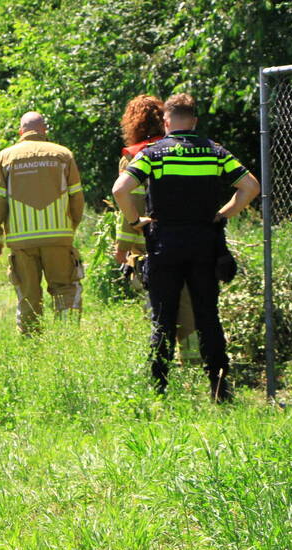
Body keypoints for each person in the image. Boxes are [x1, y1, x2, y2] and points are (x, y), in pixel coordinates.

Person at [111, 93, 260, 401]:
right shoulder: (214, 152)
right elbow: (251, 187)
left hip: (165, 245)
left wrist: (137, 221)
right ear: (194, 120)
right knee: (208, 318)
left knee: (163, 320)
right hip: (205, 246)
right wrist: (223, 213)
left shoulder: (155, 153)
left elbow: (120, 189)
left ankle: (159, 393)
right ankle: (220, 391)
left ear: (166, 121)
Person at [114, 95, 199, 365]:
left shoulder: (136, 156)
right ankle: (193, 356)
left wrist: (123, 247)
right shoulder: (183, 147)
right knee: (188, 304)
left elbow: (130, 204)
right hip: (190, 236)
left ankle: (161, 360)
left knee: (158, 304)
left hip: (151, 243)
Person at [0, 111, 85, 334]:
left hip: (21, 242)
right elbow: (77, 197)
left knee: (28, 295)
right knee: (65, 289)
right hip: (58, 237)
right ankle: (67, 340)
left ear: (21, 132)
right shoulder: (63, 155)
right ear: (44, 131)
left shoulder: (5, 157)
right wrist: (70, 229)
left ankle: (32, 343)